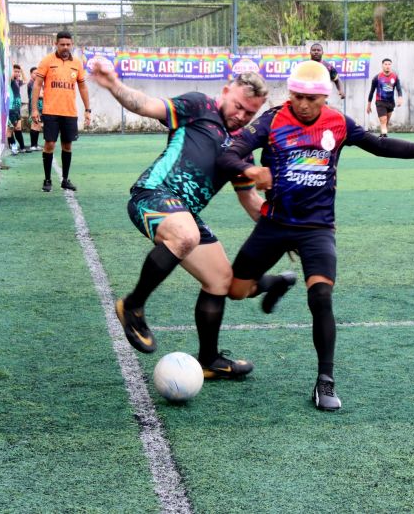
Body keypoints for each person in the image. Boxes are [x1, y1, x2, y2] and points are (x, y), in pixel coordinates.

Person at [216, 61, 414, 411]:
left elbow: (379, 145)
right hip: (275, 223)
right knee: (235, 290)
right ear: (290, 95)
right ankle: (275, 282)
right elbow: (227, 154)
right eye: (299, 97)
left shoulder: (338, 123)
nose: (304, 104)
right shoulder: (271, 121)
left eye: (312, 99)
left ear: (325, 97)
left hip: (318, 227)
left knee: (321, 296)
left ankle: (325, 382)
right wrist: (249, 169)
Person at [89, 63, 293, 379]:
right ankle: (133, 306)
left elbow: (251, 201)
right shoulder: (199, 105)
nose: (241, 116)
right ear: (226, 92)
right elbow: (146, 105)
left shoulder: (241, 149)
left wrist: (286, 228)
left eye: (249, 114)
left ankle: (209, 360)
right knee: (186, 235)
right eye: (238, 106)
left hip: (186, 215)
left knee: (223, 282)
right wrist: (114, 84)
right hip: (153, 194)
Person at [31, 31, 92, 192]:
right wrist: (34, 109)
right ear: (56, 44)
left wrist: (87, 109)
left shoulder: (77, 63)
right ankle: (47, 179)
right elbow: (37, 85)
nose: (65, 47)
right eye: (62, 44)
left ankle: (65, 179)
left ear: (72, 45)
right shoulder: (47, 61)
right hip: (50, 111)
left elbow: (83, 87)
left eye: (68, 44)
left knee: (67, 145)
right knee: (49, 144)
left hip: (69, 112)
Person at [366, 58, 403, 137]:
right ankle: (384, 138)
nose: (387, 66)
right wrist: (368, 105)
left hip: (390, 102)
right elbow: (371, 92)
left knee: (386, 122)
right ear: (382, 65)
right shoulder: (377, 78)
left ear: (391, 65)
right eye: (385, 64)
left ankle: (382, 136)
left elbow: (399, 89)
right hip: (380, 102)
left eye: (389, 64)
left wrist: (400, 98)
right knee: (383, 120)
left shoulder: (395, 77)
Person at [7, 64, 28, 154]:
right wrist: (12, 70)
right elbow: (10, 78)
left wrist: (22, 70)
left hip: (17, 108)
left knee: (18, 128)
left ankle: (22, 147)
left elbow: (26, 80)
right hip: (11, 108)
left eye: (18, 72)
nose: (17, 73)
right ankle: (13, 148)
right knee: (10, 129)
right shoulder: (10, 81)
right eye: (16, 71)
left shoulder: (18, 81)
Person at [26, 66, 43, 152]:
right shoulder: (31, 84)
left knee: (38, 126)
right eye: (34, 73)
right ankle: (33, 145)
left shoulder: (37, 83)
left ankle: (35, 145)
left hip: (40, 107)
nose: (36, 75)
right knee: (34, 125)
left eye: (37, 73)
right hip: (34, 108)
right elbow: (37, 95)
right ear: (31, 74)